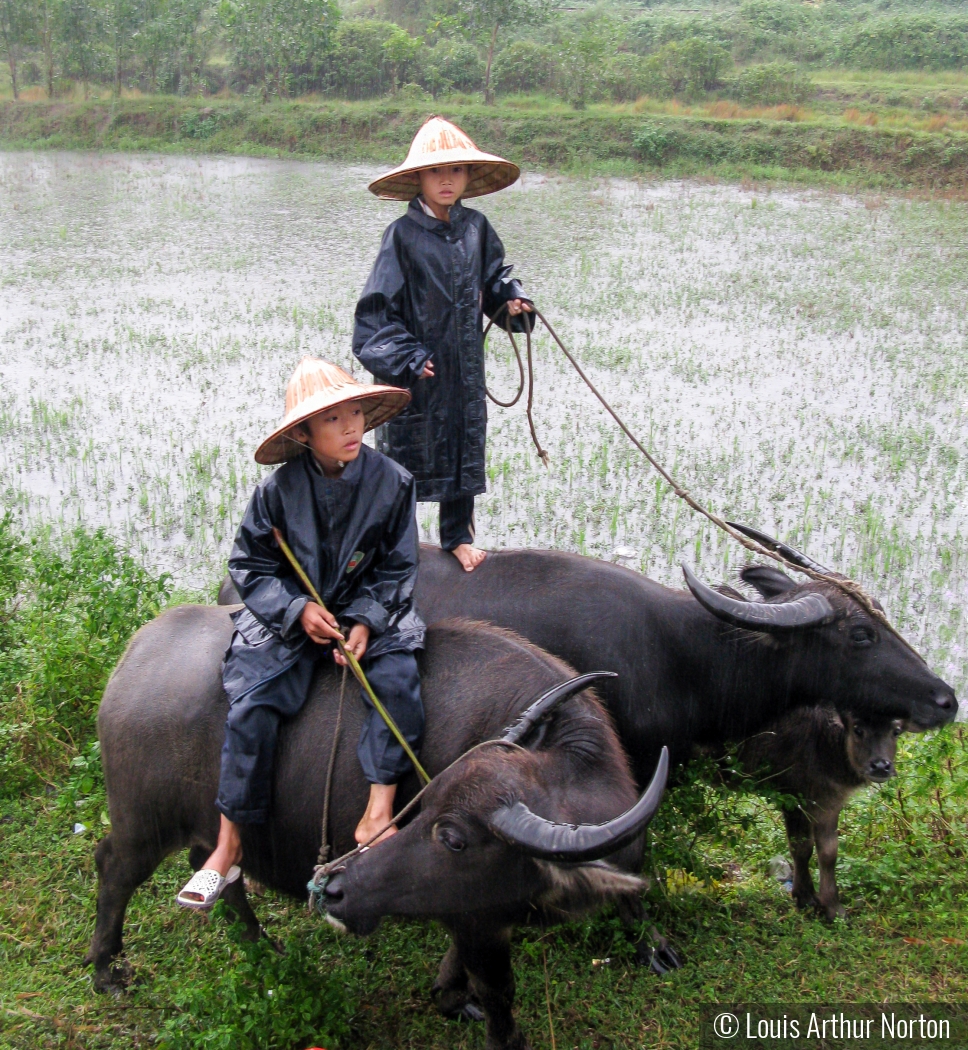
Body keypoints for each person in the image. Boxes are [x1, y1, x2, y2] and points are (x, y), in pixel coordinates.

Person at [176, 357, 425, 910]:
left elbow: (399, 567)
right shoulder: (277, 492)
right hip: (292, 622)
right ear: (304, 433)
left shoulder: (394, 483)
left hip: (368, 612)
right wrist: (295, 610)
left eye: (357, 412)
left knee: (400, 680)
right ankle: (229, 845)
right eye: (333, 419)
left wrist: (365, 618)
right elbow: (250, 566)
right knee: (251, 705)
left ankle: (378, 813)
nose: (352, 427)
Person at [353, 116, 533, 573]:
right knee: (404, 458)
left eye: (456, 170)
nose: (446, 180)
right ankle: (398, 543)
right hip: (419, 373)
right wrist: (408, 356)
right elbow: (375, 314)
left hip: (464, 370)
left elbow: (494, 277)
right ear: (419, 178)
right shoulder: (402, 236)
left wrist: (511, 300)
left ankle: (457, 536)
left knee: (464, 444)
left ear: (469, 177)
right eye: (436, 171)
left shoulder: (477, 228)